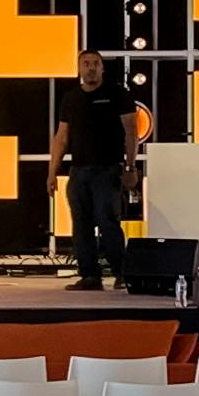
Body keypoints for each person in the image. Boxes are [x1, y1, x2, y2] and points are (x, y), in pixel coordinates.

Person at [49, 50, 144, 292]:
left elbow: (131, 131)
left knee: (107, 220)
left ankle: (122, 273)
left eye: (95, 64)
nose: (90, 68)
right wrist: (52, 172)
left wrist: (131, 166)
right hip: (79, 171)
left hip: (108, 169)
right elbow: (61, 137)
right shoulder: (71, 98)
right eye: (86, 64)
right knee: (81, 224)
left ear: (102, 68)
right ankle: (89, 275)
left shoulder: (118, 94)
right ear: (79, 68)